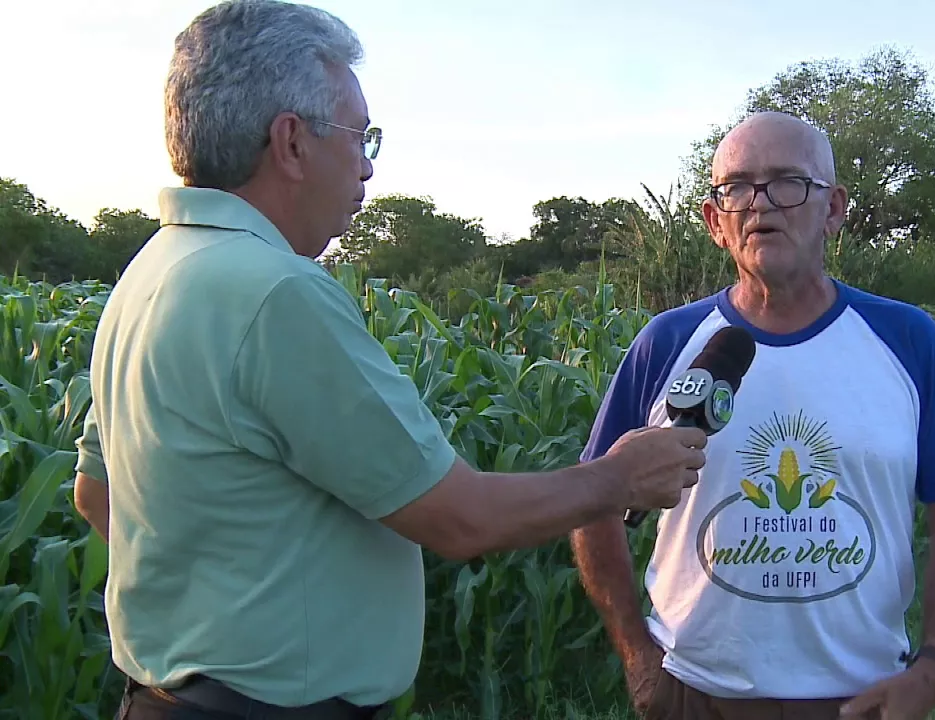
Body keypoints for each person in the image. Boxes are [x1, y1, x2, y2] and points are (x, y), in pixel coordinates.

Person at [70, 2, 707, 719]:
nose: (367, 166)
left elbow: (95, 493)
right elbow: (461, 519)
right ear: (291, 142)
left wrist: (210, 601)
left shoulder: (152, 272)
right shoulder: (275, 293)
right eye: (360, 136)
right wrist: (617, 478)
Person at [569, 111, 935, 720]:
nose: (760, 204)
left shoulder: (906, 340)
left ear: (834, 209)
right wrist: (637, 656)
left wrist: (934, 664)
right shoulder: (667, 343)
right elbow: (591, 503)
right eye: (737, 188)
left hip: (863, 698)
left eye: (788, 183)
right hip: (695, 696)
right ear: (714, 221)